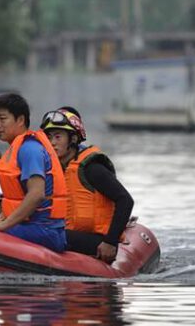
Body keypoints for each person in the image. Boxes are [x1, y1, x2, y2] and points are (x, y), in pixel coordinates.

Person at [40, 106, 134, 263]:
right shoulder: (53, 170)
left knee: (48, 235)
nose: (52, 143)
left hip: (98, 239)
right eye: (49, 138)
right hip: (70, 233)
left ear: (73, 139)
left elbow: (125, 200)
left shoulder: (91, 168)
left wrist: (110, 242)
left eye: (58, 137)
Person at [0, 93, 67, 252]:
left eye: (2, 119)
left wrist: (4, 225)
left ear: (21, 120)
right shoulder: (16, 147)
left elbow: (37, 194)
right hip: (32, 227)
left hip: (44, 230)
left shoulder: (29, 149)